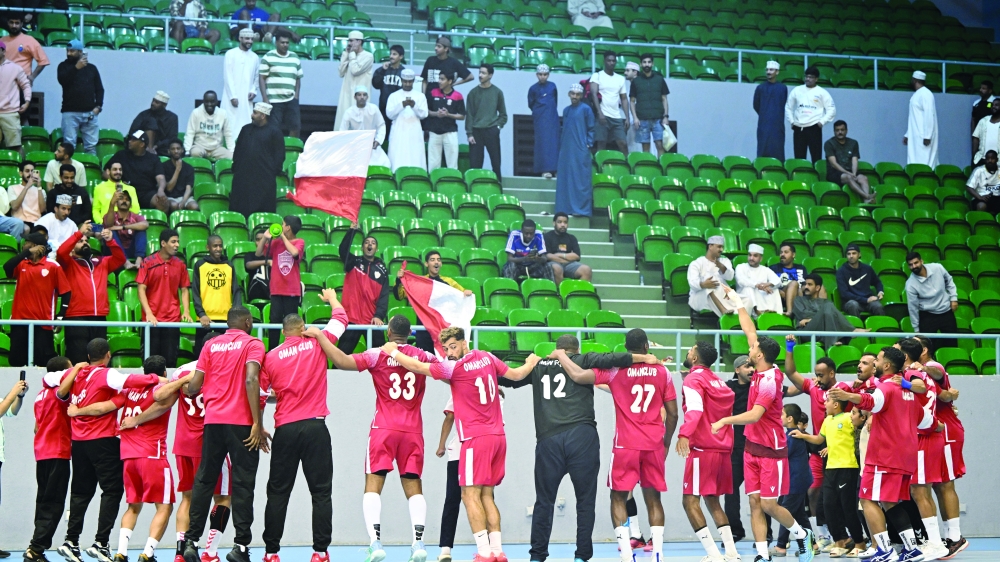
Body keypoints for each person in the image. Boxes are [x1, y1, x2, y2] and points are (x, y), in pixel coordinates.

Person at [380, 328, 541, 562]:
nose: (449, 352)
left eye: (453, 347)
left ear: (465, 343)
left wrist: (393, 351)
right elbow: (516, 375)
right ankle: (497, 551)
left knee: (468, 495)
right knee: (487, 495)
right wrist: (531, 362)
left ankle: (484, 553)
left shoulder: (454, 368)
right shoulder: (486, 357)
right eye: (445, 349)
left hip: (475, 439)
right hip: (498, 437)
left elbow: (417, 367)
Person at [503, 335, 654, 562]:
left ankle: (537, 556)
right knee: (585, 501)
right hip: (582, 437)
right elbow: (613, 358)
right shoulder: (583, 360)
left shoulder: (539, 366)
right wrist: (644, 358)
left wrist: (528, 364)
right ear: (576, 349)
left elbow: (508, 380)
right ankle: (581, 556)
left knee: (544, 501)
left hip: (548, 441)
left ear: (557, 349)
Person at [307, 310, 435, 562]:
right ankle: (418, 544)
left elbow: (342, 361)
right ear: (410, 334)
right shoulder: (423, 356)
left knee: (373, 486)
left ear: (388, 332)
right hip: (413, 431)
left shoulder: (378, 354)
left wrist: (321, 337)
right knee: (414, 487)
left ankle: (375, 543)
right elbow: (448, 369)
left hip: (383, 429)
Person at [549, 329, 677, 562]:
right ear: (647, 347)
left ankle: (627, 557)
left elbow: (577, 375)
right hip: (654, 444)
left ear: (626, 348)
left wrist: (561, 356)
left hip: (626, 445)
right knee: (654, 499)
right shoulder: (663, 372)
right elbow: (673, 414)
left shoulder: (616, 370)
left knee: (618, 498)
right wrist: (666, 443)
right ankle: (657, 555)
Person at [711, 288, 817, 562]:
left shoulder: (769, 381)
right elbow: (750, 331)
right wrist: (737, 303)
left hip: (771, 449)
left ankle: (802, 534)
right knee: (754, 502)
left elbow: (755, 415)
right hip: (751, 447)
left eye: (754, 349)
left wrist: (724, 419)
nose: (751, 347)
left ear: (759, 356)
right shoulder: (759, 369)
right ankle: (762, 554)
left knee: (769, 504)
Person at [259, 292, 348, 562]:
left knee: (277, 492)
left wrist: (259, 425)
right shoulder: (317, 342)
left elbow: (261, 394)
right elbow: (341, 319)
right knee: (321, 492)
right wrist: (332, 298)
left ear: (284, 331)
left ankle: (271, 552)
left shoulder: (271, 357)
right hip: (315, 427)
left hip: (285, 429)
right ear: (302, 328)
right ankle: (320, 552)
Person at [58, 339, 162, 562]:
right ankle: (101, 543)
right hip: (102, 441)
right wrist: (156, 378)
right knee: (112, 491)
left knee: (80, 492)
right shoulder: (106, 374)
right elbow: (133, 380)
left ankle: (71, 541)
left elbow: (59, 390)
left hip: (79, 443)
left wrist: (76, 370)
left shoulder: (77, 375)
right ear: (108, 355)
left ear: (88, 356)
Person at [179, 307, 268, 562]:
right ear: (248, 322)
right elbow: (252, 380)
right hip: (241, 424)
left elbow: (194, 386)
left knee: (204, 481)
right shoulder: (253, 344)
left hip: (213, 422)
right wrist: (256, 422)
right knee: (243, 484)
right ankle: (240, 547)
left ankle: (191, 542)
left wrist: (188, 389)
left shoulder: (211, 345)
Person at [828, 348, 929, 562]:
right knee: (890, 502)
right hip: (906, 455)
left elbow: (870, 402)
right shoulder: (910, 392)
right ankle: (912, 548)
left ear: (886, 366)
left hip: (884, 455)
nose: (875, 362)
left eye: (879, 359)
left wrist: (847, 396)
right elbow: (926, 421)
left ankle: (885, 550)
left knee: (867, 500)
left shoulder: (886, 387)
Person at [159, 345, 233, 562]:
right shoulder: (220, 370)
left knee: (188, 498)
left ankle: (181, 553)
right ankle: (210, 552)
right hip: (210, 444)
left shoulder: (181, 371)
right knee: (223, 497)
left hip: (183, 444)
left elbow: (162, 398)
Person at [781, 345, 854, 555]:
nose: (818, 378)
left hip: (840, 448)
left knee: (838, 497)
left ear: (832, 373)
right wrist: (789, 349)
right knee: (816, 493)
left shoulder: (842, 390)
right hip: (818, 444)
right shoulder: (813, 388)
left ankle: (849, 537)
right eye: (816, 375)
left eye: (821, 375)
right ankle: (825, 536)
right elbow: (791, 373)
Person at [676, 341, 741, 562]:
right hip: (723, 449)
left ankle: (713, 554)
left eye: (690, 350)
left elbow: (694, 410)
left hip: (702, 448)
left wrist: (684, 434)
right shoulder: (718, 381)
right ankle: (731, 552)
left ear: (695, 358)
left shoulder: (694, 379)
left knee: (689, 501)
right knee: (712, 500)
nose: (687, 351)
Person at [893, 339, 951, 561]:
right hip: (922, 437)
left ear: (906, 357)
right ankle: (934, 541)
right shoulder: (918, 373)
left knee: (920, 491)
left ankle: (936, 544)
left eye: (897, 352)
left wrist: (905, 384)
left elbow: (918, 387)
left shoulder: (910, 375)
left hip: (924, 438)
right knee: (920, 491)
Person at [911, 335, 968, 558]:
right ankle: (945, 537)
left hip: (946, 431)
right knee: (935, 485)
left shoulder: (931, 365)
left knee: (945, 484)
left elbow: (939, 376)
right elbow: (944, 394)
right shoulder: (915, 372)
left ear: (923, 350)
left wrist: (924, 368)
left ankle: (955, 537)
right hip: (934, 431)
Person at [789, 391, 865, 557]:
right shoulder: (827, 420)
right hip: (830, 468)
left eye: (827, 401)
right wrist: (802, 435)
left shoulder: (847, 418)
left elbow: (861, 427)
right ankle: (840, 541)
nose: (825, 404)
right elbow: (818, 439)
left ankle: (859, 542)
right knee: (828, 506)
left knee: (848, 507)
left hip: (848, 468)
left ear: (836, 404)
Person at [23, 358, 80, 562]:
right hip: (58, 450)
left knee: (43, 501)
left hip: (42, 452)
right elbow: (64, 390)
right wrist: (80, 368)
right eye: (70, 367)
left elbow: (37, 427)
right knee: (54, 503)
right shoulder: (59, 394)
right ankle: (35, 549)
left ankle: (36, 547)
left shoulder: (40, 395)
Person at [56, 221, 124, 364]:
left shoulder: (101, 262)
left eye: (87, 240)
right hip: (76, 316)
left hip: (98, 317)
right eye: (81, 241)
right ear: (73, 248)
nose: (85, 242)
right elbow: (61, 252)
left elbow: (120, 259)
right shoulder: (68, 263)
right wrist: (79, 233)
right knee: (79, 359)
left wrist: (111, 240)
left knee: (99, 361)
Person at [393, 250, 473, 353]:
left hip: (443, 331)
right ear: (426, 263)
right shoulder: (419, 282)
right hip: (424, 331)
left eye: (438, 260)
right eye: (432, 260)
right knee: (424, 364)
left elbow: (462, 295)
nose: (436, 262)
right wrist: (399, 280)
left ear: (441, 264)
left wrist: (466, 293)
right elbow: (399, 296)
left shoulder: (449, 282)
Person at [137, 228, 193, 368]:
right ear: (163, 243)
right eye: (173, 242)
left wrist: (186, 311)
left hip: (172, 321)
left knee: (170, 362)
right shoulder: (148, 262)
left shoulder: (180, 264)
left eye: (178, 242)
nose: (177, 245)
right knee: (150, 362)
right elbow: (141, 289)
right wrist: (149, 313)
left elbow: (185, 290)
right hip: (152, 321)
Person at [336, 223, 389, 353]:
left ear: (376, 249)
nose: (369, 244)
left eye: (373, 243)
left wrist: (379, 316)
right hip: (352, 319)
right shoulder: (353, 262)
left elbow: (384, 296)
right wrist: (352, 231)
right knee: (340, 359)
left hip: (372, 320)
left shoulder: (382, 270)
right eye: (366, 242)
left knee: (381, 359)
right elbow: (343, 249)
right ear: (362, 247)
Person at [771, 403, 814, 558]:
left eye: (782, 414)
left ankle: (781, 546)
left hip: (795, 481)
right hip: (798, 479)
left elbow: (782, 454)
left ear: (789, 418)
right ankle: (813, 544)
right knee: (800, 513)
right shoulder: (791, 434)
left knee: (785, 511)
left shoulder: (792, 435)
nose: (779, 416)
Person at [254, 216, 303, 351]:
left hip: (292, 291)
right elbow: (258, 253)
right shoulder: (275, 243)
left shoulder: (299, 242)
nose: (281, 226)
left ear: (288, 227)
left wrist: (282, 237)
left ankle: (291, 351)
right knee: (274, 322)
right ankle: (272, 352)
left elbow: (294, 253)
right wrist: (265, 237)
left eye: (283, 224)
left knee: (291, 324)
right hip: (276, 289)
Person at [191, 235, 242, 357]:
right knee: (201, 355)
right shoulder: (200, 265)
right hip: (205, 319)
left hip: (226, 318)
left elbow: (236, 291)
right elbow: (195, 292)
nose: (218, 248)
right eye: (215, 246)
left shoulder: (229, 265)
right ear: (208, 247)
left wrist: (235, 315)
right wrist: (201, 314)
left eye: (220, 245)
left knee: (225, 355)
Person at [229, 103, 284, 216]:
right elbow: (238, 151)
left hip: (264, 181)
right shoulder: (245, 129)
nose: (252, 115)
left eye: (255, 113)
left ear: (263, 116)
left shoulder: (275, 132)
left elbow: (279, 155)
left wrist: (271, 172)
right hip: (243, 179)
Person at [723, 355, 753, 544]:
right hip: (735, 448)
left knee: (757, 493)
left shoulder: (759, 386)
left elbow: (790, 391)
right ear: (737, 370)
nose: (751, 369)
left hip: (755, 446)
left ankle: (765, 533)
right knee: (730, 490)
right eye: (746, 366)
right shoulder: (728, 387)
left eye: (752, 366)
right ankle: (735, 530)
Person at [792, 274, 866, 348]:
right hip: (806, 332)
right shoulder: (799, 300)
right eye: (805, 284)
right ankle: (851, 331)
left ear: (817, 288)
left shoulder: (825, 302)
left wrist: (810, 319)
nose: (806, 287)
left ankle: (833, 340)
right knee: (828, 307)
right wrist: (815, 318)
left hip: (823, 332)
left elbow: (830, 316)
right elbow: (803, 314)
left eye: (809, 284)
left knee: (829, 307)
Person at [904, 252, 958, 351]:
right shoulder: (910, 284)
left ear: (922, 261)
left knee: (952, 343)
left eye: (916, 263)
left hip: (946, 312)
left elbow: (949, 280)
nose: (914, 266)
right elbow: (913, 308)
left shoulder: (938, 267)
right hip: (928, 315)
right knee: (926, 348)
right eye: (910, 265)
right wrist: (917, 330)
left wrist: (953, 298)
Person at [555, 84, 595, 217]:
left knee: (580, 178)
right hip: (566, 149)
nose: (575, 96)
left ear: (582, 95)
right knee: (566, 178)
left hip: (580, 149)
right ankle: (564, 208)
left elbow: (591, 129)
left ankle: (580, 209)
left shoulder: (586, 110)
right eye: (572, 93)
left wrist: (588, 144)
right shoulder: (566, 110)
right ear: (569, 94)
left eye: (577, 94)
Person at [57, 40, 103, 155]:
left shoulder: (92, 68)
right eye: (67, 51)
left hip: (90, 113)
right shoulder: (63, 66)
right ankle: (67, 171)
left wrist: (98, 106)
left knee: (91, 147)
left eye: (72, 51)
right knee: (68, 145)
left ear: (80, 52)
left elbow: (99, 89)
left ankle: (90, 170)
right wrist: (76, 68)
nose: (69, 53)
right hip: (70, 113)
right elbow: (63, 81)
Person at [106, 130, 168, 212]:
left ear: (142, 144)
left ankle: (157, 225)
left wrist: (160, 190)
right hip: (125, 191)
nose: (130, 141)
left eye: (133, 140)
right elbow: (106, 172)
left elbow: (160, 178)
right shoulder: (121, 155)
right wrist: (117, 182)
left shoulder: (153, 159)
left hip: (146, 193)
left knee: (162, 202)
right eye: (130, 139)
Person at [785, 66, 835, 163]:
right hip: (799, 128)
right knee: (799, 158)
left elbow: (831, 109)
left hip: (814, 127)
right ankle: (799, 177)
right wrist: (791, 121)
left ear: (816, 79)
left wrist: (822, 122)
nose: (808, 79)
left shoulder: (822, 92)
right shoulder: (797, 90)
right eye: (806, 76)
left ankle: (816, 177)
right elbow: (788, 107)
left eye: (811, 77)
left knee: (816, 157)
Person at [466, 63, 506, 179]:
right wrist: (469, 133)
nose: (480, 75)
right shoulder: (473, 93)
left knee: (496, 163)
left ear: (490, 75)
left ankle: (498, 189)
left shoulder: (497, 92)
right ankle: (474, 191)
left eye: (483, 73)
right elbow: (469, 114)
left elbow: (503, 115)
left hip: (491, 131)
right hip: (476, 132)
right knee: (475, 165)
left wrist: (497, 127)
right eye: (480, 72)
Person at [258, 30, 302, 137]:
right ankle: (275, 152)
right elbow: (261, 78)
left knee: (295, 127)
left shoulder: (294, 57)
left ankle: (292, 150)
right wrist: (265, 98)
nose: (285, 45)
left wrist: (296, 96)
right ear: (276, 43)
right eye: (282, 42)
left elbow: (298, 78)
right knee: (273, 129)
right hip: (274, 100)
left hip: (291, 99)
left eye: (287, 42)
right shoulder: (268, 57)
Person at [337, 85, 391, 168]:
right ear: (355, 97)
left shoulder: (374, 109)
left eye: (364, 95)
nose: (362, 97)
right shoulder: (349, 112)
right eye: (359, 95)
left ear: (367, 97)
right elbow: (342, 131)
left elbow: (381, 126)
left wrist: (378, 141)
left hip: (372, 146)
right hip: (355, 147)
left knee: (386, 163)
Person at [386, 68, 429, 172]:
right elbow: (389, 114)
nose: (407, 84)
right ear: (401, 80)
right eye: (405, 81)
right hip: (398, 132)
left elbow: (424, 114)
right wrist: (402, 105)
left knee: (415, 155)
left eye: (410, 81)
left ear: (413, 81)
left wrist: (414, 106)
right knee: (398, 155)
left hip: (415, 132)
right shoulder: (394, 96)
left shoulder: (420, 96)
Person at [629, 54, 670, 156]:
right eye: (644, 62)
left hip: (658, 119)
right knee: (645, 148)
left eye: (649, 62)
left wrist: (665, 117)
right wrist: (635, 118)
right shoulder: (636, 81)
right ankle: (647, 169)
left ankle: (661, 168)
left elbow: (664, 99)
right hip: (642, 119)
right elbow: (632, 101)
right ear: (641, 64)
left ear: (652, 64)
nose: (646, 64)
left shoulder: (659, 79)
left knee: (660, 145)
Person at [824, 120, 873, 203]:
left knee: (863, 178)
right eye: (837, 130)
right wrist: (848, 173)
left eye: (842, 130)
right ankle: (867, 196)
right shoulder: (829, 143)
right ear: (834, 131)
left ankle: (866, 201)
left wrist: (854, 173)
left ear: (846, 131)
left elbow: (854, 160)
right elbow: (833, 164)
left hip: (850, 171)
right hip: (835, 173)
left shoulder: (853, 143)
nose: (840, 132)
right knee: (848, 177)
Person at [590, 51, 629, 154]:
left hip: (616, 116)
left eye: (613, 61)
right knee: (601, 145)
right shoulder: (597, 75)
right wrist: (600, 113)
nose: (611, 63)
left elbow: (624, 98)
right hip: (603, 115)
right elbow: (593, 94)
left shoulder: (620, 79)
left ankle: (628, 167)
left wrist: (627, 118)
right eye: (609, 60)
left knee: (623, 144)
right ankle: (600, 168)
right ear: (604, 61)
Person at [687, 235, 736, 318]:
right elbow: (692, 283)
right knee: (709, 280)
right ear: (710, 246)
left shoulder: (725, 261)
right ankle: (723, 310)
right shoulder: (697, 263)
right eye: (719, 247)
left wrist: (720, 265)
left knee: (747, 300)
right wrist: (703, 284)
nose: (721, 250)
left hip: (723, 296)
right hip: (700, 298)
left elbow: (730, 277)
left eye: (722, 247)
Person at [335, 30, 374, 132]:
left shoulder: (368, 56)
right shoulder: (349, 55)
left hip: (360, 97)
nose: (349, 44)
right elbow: (341, 72)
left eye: (352, 41)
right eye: (349, 41)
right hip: (347, 94)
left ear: (359, 42)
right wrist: (345, 55)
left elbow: (355, 70)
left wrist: (351, 55)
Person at [436, 399, 461, 562]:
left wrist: (441, 445)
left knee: (452, 500)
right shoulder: (493, 390)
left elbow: (450, 417)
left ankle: (446, 549)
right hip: (484, 450)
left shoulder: (459, 388)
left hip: (460, 451)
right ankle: (491, 548)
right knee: (485, 498)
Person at [426, 72, 466, 172]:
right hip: (434, 132)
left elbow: (462, 116)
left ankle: (451, 186)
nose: (439, 81)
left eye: (442, 79)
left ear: (450, 81)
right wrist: (437, 114)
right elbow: (427, 111)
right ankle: (433, 186)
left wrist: (448, 115)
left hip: (450, 133)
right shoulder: (433, 92)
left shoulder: (458, 96)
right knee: (433, 165)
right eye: (439, 78)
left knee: (452, 165)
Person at [223, 28, 260, 131]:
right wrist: (232, 96)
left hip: (247, 97)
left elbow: (257, 76)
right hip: (231, 97)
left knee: (246, 123)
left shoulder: (255, 57)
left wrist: (253, 90)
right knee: (230, 123)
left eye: (252, 39)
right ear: (240, 38)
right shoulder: (230, 54)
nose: (250, 41)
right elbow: (227, 76)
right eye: (247, 39)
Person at [101, 190, 147, 270]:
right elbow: (108, 225)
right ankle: (125, 261)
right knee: (110, 232)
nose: (124, 201)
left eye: (127, 199)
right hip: (114, 253)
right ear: (116, 203)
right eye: (122, 199)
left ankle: (139, 260)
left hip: (131, 250)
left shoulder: (135, 216)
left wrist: (122, 227)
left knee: (141, 230)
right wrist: (111, 204)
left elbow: (145, 225)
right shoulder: (110, 215)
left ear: (131, 205)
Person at [836, 244, 885, 317]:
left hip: (868, 300)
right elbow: (845, 294)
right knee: (853, 305)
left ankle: (880, 327)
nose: (851, 256)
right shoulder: (841, 271)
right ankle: (857, 328)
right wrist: (865, 300)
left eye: (854, 253)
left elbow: (877, 282)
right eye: (849, 254)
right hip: (851, 301)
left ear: (859, 254)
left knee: (878, 306)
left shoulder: (867, 269)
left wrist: (880, 292)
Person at [185, 90, 235, 161]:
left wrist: (232, 151)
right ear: (203, 101)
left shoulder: (223, 114)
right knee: (195, 153)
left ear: (216, 102)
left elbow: (228, 134)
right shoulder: (196, 113)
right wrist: (187, 151)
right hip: (199, 147)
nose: (209, 104)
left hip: (217, 149)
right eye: (207, 101)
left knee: (232, 157)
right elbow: (190, 133)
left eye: (212, 101)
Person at [419, 36, 473, 103]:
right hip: (429, 98)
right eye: (436, 46)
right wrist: (423, 96)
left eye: (439, 46)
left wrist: (454, 84)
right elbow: (424, 81)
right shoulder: (430, 60)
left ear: (446, 49)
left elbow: (470, 77)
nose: (435, 48)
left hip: (445, 99)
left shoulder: (453, 62)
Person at [735, 243, 782, 317]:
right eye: (750, 255)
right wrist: (757, 285)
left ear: (761, 258)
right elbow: (741, 280)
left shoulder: (765, 269)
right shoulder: (741, 267)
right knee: (749, 288)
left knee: (774, 290)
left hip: (761, 296)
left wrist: (768, 284)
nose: (751, 258)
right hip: (744, 296)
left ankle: (776, 314)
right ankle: (757, 312)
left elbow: (778, 281)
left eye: (755, 256)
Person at [543, 212, 591, 284]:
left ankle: (577, 294)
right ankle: (559, 293)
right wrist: (567, 258)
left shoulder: (572, 238)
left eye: (565, 222)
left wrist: (559, 255)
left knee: (586, 270)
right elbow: (547, 256)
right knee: (557, 268)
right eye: (559, 222)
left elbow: (577, 256)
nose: (563, 225)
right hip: (553, 264)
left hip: (569, 265)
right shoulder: (547, 236)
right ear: (554, 223)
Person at [528, 64, 559, 178]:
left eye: (545, 74)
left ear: (548, 75)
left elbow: (555, 101)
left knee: (554, 143)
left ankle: (555, 169)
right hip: (540, 119)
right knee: (542, 144)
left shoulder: (553, 86)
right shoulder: (533, 89)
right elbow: (531, 104)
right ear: (537, 75)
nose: (543, 77)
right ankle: (544, 169)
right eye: (540, 74)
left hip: (552, 118)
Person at [0, 14, 49, 84]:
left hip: (22, 83)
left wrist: (32, 77)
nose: (14, 26)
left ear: (22, 24)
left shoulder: (30, 41)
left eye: (17, 23)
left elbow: (43, 61)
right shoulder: (1, 41)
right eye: (11, 22)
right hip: (3, 82)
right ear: (8, 23)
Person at [0, 42, 30, 154]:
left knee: (15, 146)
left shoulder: (15, 68)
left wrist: (27, 101)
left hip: (10, 113)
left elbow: (26, 85)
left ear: (3, 51)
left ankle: (22, 170)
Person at [754, 60, 787, 161]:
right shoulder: (760, 88)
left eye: (771, 70)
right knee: (763, 149)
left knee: (777, 150)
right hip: (764, 125)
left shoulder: (782, 88)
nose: (768, 72)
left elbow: (783, 103)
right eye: (767, 70)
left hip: (778, 125)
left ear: (777, 72)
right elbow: (756, 105)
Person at [904, 70, 938, 167]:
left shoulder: (926, 94)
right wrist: (908, 134)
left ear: (915, 80)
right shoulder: (917, 94)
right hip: (915, 136)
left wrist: (927, 136)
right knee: (915, 162)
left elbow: (929, 115)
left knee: (925, 162)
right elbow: (914, 118)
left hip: (923, 137)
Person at [371, 45, 405, 141]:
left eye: (394, 54)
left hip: (398, 110)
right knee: (383, 136)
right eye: (390, 54)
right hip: (384, 109)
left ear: (401, 57)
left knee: (396, 137)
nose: (391, 56)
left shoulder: (403, 72)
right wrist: (382, 70)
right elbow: (375, 84)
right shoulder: (383, 70)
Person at [129, 91, 179, 155]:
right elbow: (133, 132)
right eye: (153, 101)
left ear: (164, 105)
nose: (153, 103)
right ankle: (149, 150)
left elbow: (172, 137)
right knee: (151, 121)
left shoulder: (172, 117)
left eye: (156, 102)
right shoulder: (144, 115)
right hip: (142, 146)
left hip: (163, 148)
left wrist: (157, 145)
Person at [770, 243, 807, 317]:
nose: (782, 254)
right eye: (781, 252)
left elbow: (805, 284)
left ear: (793, 255)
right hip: (781, 296)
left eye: (786, 252)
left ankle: (822, 313)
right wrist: (777, 290)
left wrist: (800, 290)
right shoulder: (773, 268)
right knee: (793, 283)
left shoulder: (801, 268)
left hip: (799, 295)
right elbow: (767, 285)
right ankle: (790, 312)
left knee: (820, 286)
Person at [162, 139, 198, 211]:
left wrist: (183, 202)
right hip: (170, 197)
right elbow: (169, 188)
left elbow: (188, 189)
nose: (176, 151)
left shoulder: (189, 168)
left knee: (194, 206)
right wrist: (177, 170)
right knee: (173, 205)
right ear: (169, 151)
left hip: (184, 197)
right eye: (173, 149)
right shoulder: (164, 166)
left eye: (178, 148)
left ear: (182, 150)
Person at [9, 159, 45, 224]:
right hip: (19, 222)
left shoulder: (41, 190)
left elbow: (42, 210)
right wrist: (27, 187)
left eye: (32, 171)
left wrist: (39, 186)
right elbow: (14, 207)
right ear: (21, 173)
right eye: (27, 171)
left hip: (36, 222)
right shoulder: (12, 188)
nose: (30, 174)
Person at [966, 149, 1000, 214]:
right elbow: (969, 187)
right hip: (981, 197)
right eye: (988, 159)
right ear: (985, 160)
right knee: (981, 206)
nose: (990, 161)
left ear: (997, 160)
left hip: (996, 197)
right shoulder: (979, 170)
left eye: (992, 158)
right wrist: (980, 197)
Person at [971, 96, 1000, 165]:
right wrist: (974, 155)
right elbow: (976, 138)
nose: (993, 107)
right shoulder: (983, 121)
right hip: (982, 159)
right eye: (992, 105)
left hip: (998, 161)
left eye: (997, 105)